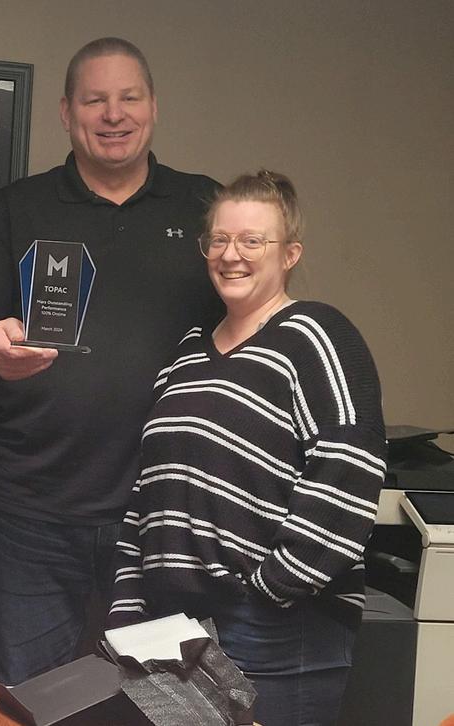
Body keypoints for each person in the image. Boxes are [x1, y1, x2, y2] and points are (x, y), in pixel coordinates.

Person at [0, 37, 223, 685]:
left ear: (153, 106)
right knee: (35, 697)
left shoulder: (205, 207)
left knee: (166, 703)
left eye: (129, 98)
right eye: (95, 100)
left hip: (166, 513)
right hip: (35, 513)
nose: (113, 114)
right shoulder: (18, 209)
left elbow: (254, 322)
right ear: (66, 112)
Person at [107, 171, 386, 726]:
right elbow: (149, 493)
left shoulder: (316, 337)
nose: (231, 255)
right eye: (219, 239)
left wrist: (268, 590)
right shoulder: (185, 357)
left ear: (289, 254)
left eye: (252, 240)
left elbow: (349, 471)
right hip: (172, 633)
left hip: (275, 628)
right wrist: (128, 608)